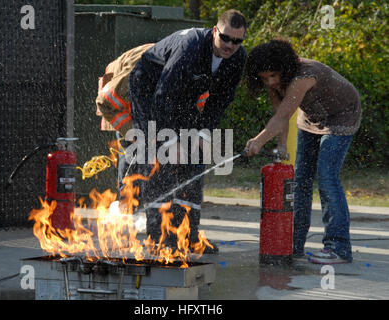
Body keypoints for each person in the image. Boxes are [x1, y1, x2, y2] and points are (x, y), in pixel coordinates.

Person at [124, 9, 247, 254]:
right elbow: (163, 96)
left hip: (183, 96)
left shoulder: (237, 58)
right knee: (160, 160)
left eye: (237, 41)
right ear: (215, 31)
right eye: (225, 38)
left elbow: (220, 100)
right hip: (150, 91)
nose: (230, 45)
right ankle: (159, 237)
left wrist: (202, 134)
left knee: (194, 159)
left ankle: (188, 234)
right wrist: (170, 142)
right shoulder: (189, 47)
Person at [244, 39, 362, 264]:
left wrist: (257, 141)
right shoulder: (276, 85)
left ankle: (338, 247)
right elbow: (282, 118)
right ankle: (294, 243)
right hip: (311, 119)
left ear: (284, 68)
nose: (269, 82)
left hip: (342, 115)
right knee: (299, 180)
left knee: (326, 177)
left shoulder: (302, 76)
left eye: (273, 76)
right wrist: (281, 146)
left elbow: (279, 117)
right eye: (263, 78)